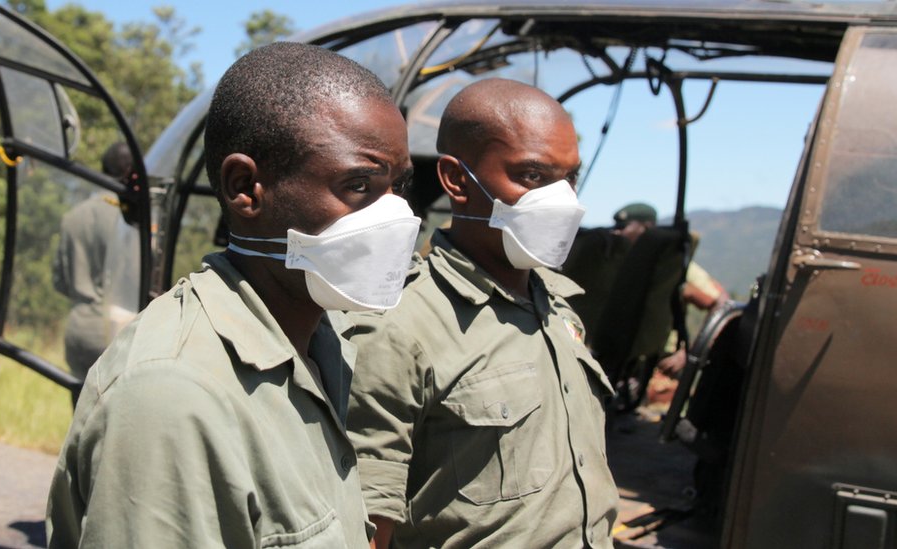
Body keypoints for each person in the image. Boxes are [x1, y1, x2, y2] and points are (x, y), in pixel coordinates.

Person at [46, 42, 419, 548]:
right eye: (359, 184)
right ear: (245, 188)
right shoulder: (174, 396)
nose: (394, 216)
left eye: (399, 185)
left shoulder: (317, 345)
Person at [346, 78, 618, 549]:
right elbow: (368, 527)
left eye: (569, 177)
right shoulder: (401, 326)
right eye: (532, 176)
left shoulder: (557, 306)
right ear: (456, 179)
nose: (561, 199)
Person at [52, 141, 140, 401]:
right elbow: (138, 279)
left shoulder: (73, 216)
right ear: (131, 173)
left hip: (78, 332)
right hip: (116, 333)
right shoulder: (130, 219)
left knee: (79, 426)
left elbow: (60, 281)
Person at [610, 203, 730, 379]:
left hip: (662, 370)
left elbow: (721, 303)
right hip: (627, 370)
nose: (617, 233)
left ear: (647, 229)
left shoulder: (674, 269)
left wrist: (690, 352)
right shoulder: (622, 265)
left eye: (623, 227)